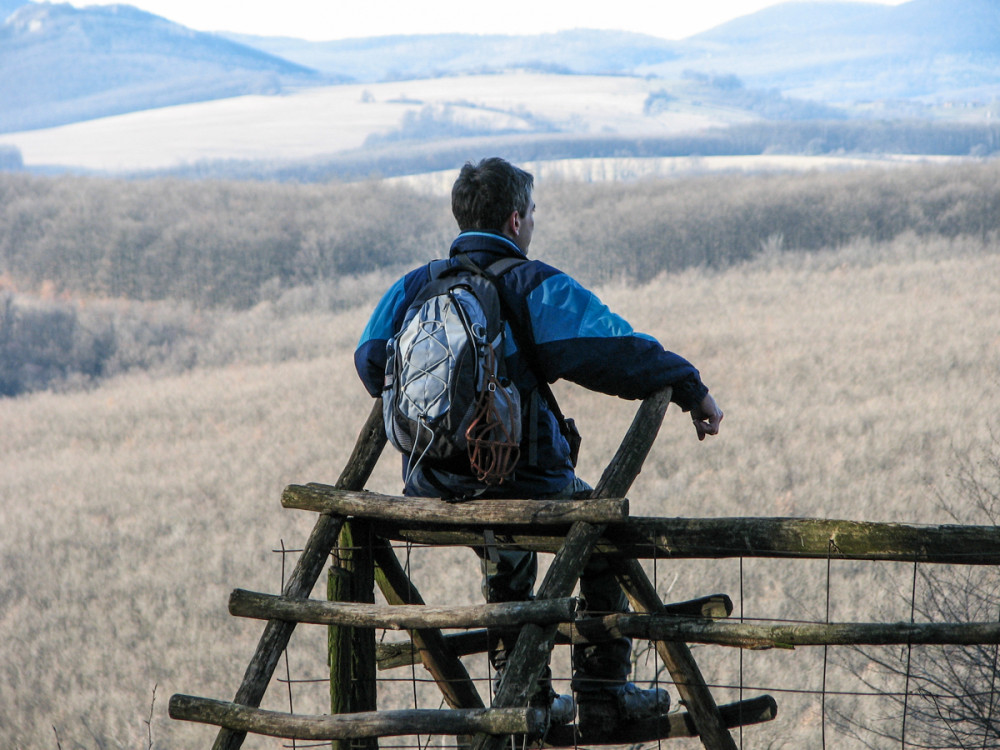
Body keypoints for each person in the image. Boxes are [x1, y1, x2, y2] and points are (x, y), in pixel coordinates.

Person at [355, 157, 723, 728]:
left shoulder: (412, 287)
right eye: (531, 213)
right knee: (602, 533)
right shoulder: (532, 285)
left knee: (506, 540)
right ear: (516, 218)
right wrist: (690, 386)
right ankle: (604, 691)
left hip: (430, 480)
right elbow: (618, 353)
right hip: (518, 477)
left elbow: (369, 361)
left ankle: (521, 692)